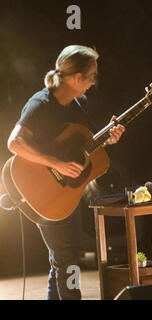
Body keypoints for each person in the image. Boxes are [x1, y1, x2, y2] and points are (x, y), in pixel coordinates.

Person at [7, 45, 125, 299]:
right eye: (91, 76)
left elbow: (88, 144)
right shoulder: (40, 104)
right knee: (67, 259)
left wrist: (109, 137)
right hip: (40, 190)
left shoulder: (77, 104)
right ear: (75, 78)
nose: (94, 82)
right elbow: (14, 143)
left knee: (60, 260)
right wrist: (55, 163)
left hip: (65, 194)